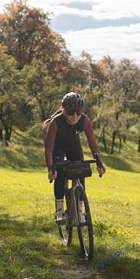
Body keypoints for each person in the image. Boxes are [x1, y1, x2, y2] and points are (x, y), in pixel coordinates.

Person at [44, 92, 106, 223]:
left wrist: (99, 163)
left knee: (81, 171)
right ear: (64, 111)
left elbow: (93, 144)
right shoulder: (55, 122)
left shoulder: (84, 120)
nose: (75, 116)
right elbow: (49, 149)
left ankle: (79, 210)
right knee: (60, 173)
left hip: (74, 146)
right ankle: (59, 211)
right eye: (71, 112)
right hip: (58, 147)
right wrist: (51, 169)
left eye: (78, 111)